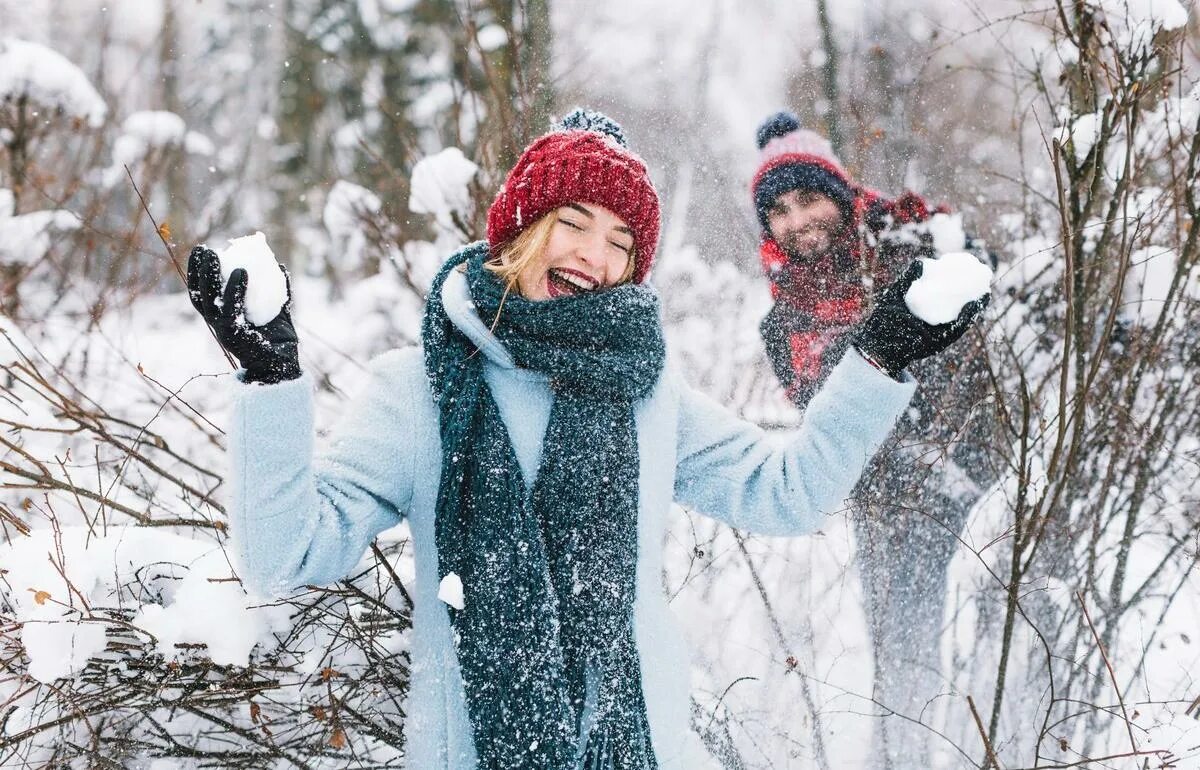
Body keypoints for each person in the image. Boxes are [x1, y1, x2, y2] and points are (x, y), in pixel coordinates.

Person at [186, 109, 986, 770]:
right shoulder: (419, 391)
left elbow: (788, 492)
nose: (594, 256)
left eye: (621, 243)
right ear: (522, 228)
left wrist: (878, 355)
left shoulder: (645, 390)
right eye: (573, 223)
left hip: (640, 748)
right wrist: (269, 383)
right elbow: (285, 554)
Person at [751, 110, 971, 408]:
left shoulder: (905, 241)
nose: (798, 221)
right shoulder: (781, 327)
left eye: (808, 200)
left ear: (839, 197)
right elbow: (824, 427)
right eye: (779, 211)